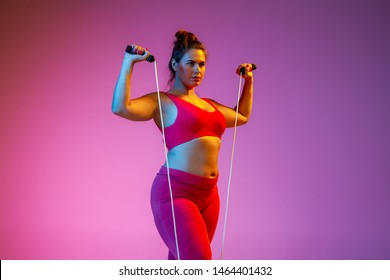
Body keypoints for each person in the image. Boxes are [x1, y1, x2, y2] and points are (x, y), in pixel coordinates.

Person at [112, 30, 254, 260]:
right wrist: (129, 63)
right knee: (197, 264)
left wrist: (248, 81)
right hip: (176, 193)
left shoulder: (211, 105)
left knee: (182, 264)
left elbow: (242, 116)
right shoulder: (163, 101)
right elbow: (121, 107)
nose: (198, 70)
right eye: (191, 63)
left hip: (209, 196)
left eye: (202, 64)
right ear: (175, 64)